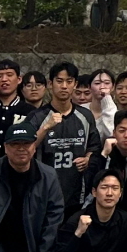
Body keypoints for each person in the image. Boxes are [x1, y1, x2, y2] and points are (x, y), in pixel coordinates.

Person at [32, 62, 102, 215]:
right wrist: (46, 127)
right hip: (43, 195)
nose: (64, 86)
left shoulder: (85, 116)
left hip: (77, 196)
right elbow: (26, 148)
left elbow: (94, 146)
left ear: (75, 84)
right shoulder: (37, 116)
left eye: (69, 81)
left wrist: (88, 158)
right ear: (50, 84)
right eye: (59, 81)